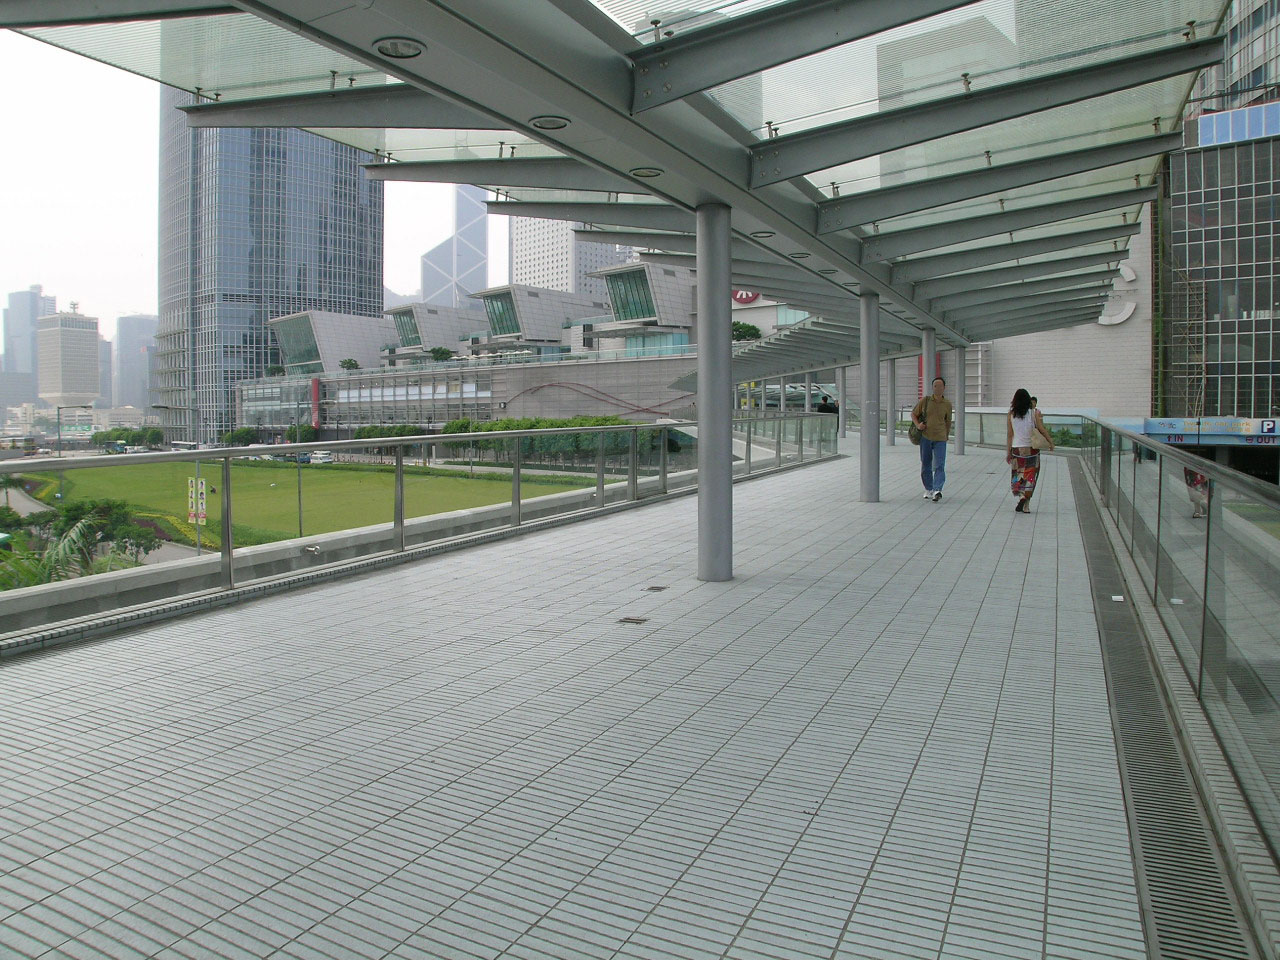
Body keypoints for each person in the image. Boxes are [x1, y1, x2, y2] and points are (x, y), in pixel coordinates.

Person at [1007, 387, 1055, 513]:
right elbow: (1042, 429)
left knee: (1019, 475)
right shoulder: (1034, 413)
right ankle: (1026, 505)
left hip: (1017, 449)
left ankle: (1021, 496)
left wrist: (1008, 452)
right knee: (1031, 477)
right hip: (1032, 450)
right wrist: (1050, 442)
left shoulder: (1011, 414)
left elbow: (1009, 434)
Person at [911, 376, 953, 502]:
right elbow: (914, 414)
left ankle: (937, 489)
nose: (938, 388)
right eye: (935, 386)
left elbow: (948, 421)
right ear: (932, 387)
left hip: (940, 437)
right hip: (926, 437)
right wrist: (918, 425)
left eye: (940, 386)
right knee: (926, 463)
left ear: (944, 388)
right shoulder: (926, 400)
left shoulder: (947, 404)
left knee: (940, 464)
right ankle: (928, 488)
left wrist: (946, 435)